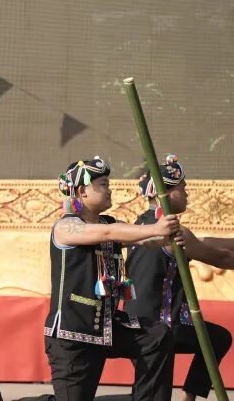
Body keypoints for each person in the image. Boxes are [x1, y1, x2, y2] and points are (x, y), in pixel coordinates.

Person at [44, 157, 181, 401]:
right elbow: (109, 233)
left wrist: (167, 238)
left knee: (157, 336)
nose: (110, 190)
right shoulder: (66, 227)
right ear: (82, 191)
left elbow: (143, 239)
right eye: (103, 185)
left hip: (107, 327)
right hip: (72, 335)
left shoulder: (109, 223)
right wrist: (155, 228)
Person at [124, 154, 234, 401]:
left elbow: (203, 243)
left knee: (215, 339)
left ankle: (189, 396)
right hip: (160, 327)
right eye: (182, 188)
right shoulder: (171, 231)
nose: (187, 193)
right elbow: (220, 258)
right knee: (153, 396)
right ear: (165, 193)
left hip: (137, 322)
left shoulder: (140, 224)